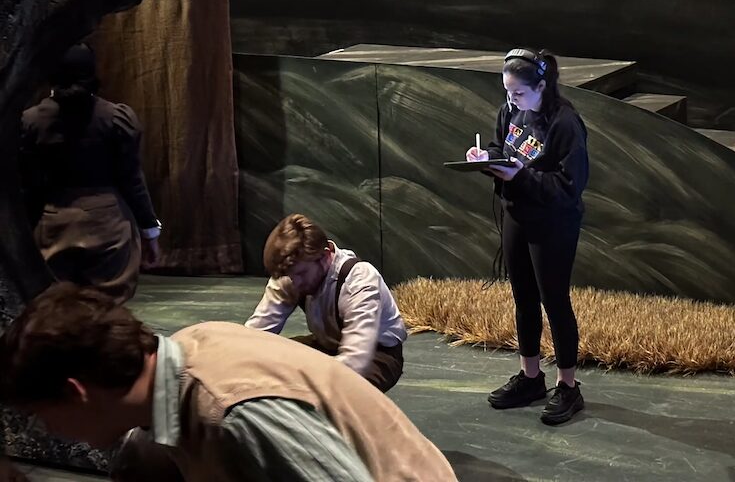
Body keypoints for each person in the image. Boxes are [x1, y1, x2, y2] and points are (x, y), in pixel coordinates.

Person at [0, 284, 456, 481]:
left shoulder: (232, 413)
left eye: (43, 417)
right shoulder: (181, 353)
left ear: (77, 393)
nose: (51, 431)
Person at [463, 48, 589, 425]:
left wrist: (521, 176)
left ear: (541, 86)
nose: (511, 100)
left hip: (553, 222)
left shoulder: (565, 123)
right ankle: (531, 377)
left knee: (555, 301)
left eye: (518, 93)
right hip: (516, 214)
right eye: (507, 92)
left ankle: (568, 386)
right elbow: (502, 148)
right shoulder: (510, 110)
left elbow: (570, 187)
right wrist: (485, 158)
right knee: (523, 298)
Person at [19, 44, 161, 303]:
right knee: (105, 312)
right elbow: (132, 179)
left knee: (58, 312)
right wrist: (149, 230)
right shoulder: (116, 118)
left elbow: (27, 185)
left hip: (52, 223)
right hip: (107, 222)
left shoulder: (31, 121)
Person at [245, 213, 407, 392]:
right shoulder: (291, 275)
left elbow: (356, 357)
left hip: (375, 354)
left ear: (325, 255)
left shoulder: (359, 281)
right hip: (328, 345)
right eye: (290, 276)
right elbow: (256, 334)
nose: (295, 282)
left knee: (337, 392)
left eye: (301, 274)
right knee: (272, 361)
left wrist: (307, 383)